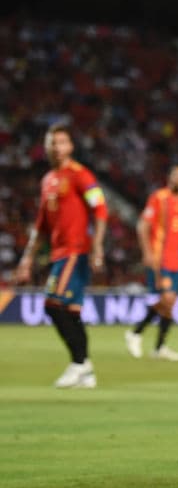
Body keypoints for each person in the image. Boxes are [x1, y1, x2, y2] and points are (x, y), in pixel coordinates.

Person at [15, 124, 108, 388]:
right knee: (69, 311)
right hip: (59, 252)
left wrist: (98, 246)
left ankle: (79, 364)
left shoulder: (81, 175)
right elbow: (41, 226)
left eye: (62, 142)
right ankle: (85, 368)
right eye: (52, 143)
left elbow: (101, 210)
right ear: (46, 147)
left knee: (52, 303)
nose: (57, 148)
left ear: (71, 147)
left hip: (75, 251)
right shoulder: (48, 180)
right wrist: (27, 260)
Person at [124, 164, 178, 361]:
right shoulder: (159, 197)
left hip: (176, 258)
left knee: (170, 304)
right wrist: (147, 253)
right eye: (177, 175)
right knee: (167, 299)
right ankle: (135, 333)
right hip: (159, 258)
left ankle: (158, 347)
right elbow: (142, 226)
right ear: (170, 177)